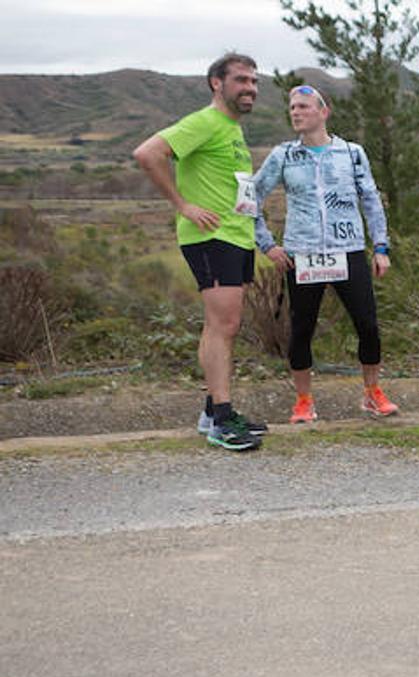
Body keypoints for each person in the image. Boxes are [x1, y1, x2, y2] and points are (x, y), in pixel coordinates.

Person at [133, 51, 267, 451]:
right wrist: (183, 205)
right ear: (217, 83)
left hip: (235, 236)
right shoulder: (204, 122)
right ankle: (222, 420)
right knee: (223, 325)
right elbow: (147, 153)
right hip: (211, 238)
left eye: (254, 82)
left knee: (222, 324)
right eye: (242, 80)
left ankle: (213, 412)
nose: (250, 88)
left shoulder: (230, 127)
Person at [251, 84, 396, 425]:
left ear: (323, 112)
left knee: (368, 325)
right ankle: (303, 400)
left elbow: (371, 200)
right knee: (301, 329)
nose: (296, 112)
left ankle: (372, 393)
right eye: (292, 107)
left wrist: (381, 247)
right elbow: (250, 199)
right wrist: (267, 244)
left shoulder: (352, 153)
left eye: (303, 106)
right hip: (303, 255)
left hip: (348, 251)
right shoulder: (283, 155)